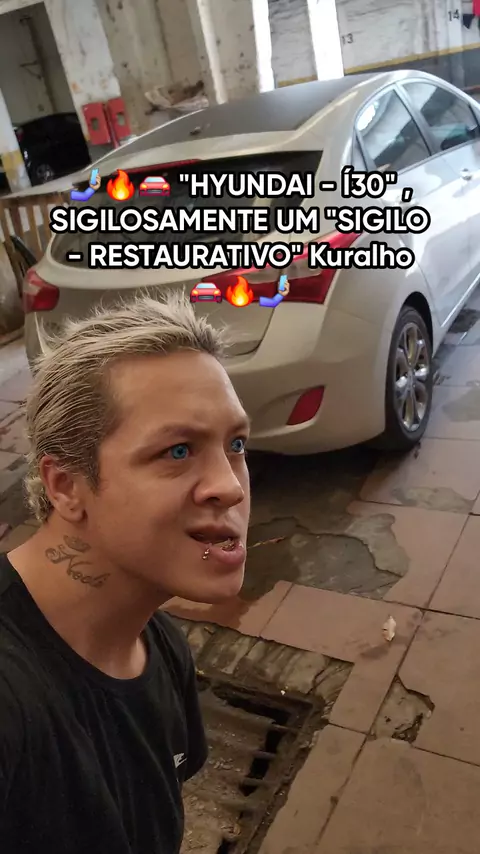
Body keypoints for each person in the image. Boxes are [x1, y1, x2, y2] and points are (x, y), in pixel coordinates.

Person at [0, 293, 251, 853]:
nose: (231, 486)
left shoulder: (160, 647)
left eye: (236, 444)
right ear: (67, 486)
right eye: (178, 451)